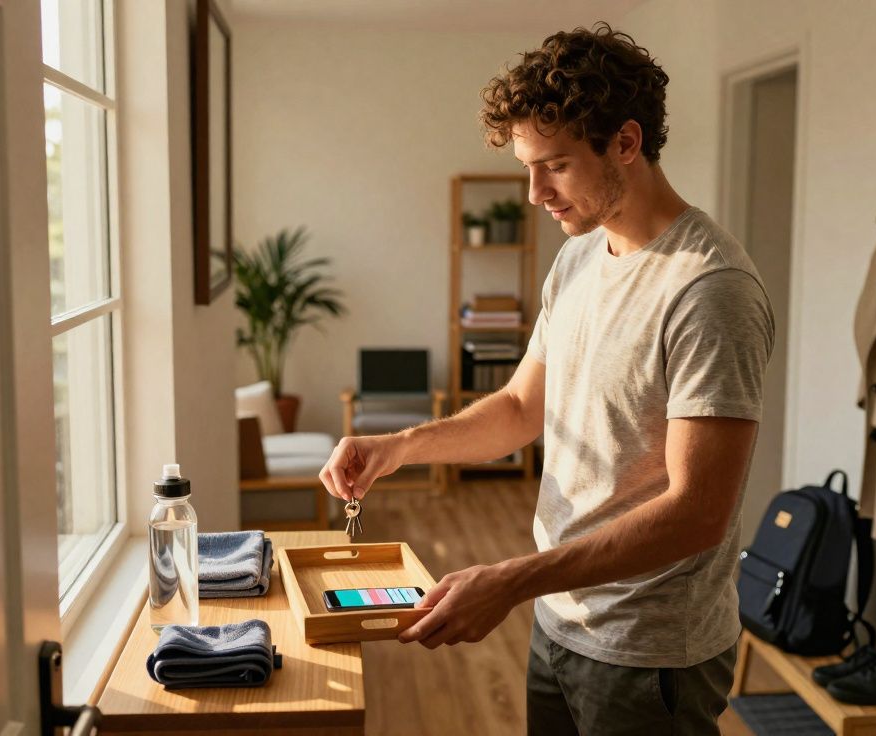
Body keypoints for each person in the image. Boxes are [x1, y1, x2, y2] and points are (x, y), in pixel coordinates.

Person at [319, 23, 774, 735]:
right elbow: (520, 407)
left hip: (649, 655)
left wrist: (508, 580)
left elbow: (698, 513)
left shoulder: (710, 290)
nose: (534, 193)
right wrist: (398, 446)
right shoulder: (581, 257)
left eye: (554, 165)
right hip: (561, 620)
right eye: (530, 166)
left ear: (626, 143)